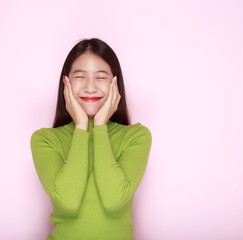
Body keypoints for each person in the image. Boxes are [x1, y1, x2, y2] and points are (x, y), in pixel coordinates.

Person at [30, 38, 152, 240]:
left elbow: (113, 199)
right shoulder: (44, 140)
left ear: (115, 83)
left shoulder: (136, 136)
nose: (90, 87)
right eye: (80, 76)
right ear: (66, 83)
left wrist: (100, 125)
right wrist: (80, 125)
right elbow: (68, 201)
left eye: (101, 77)